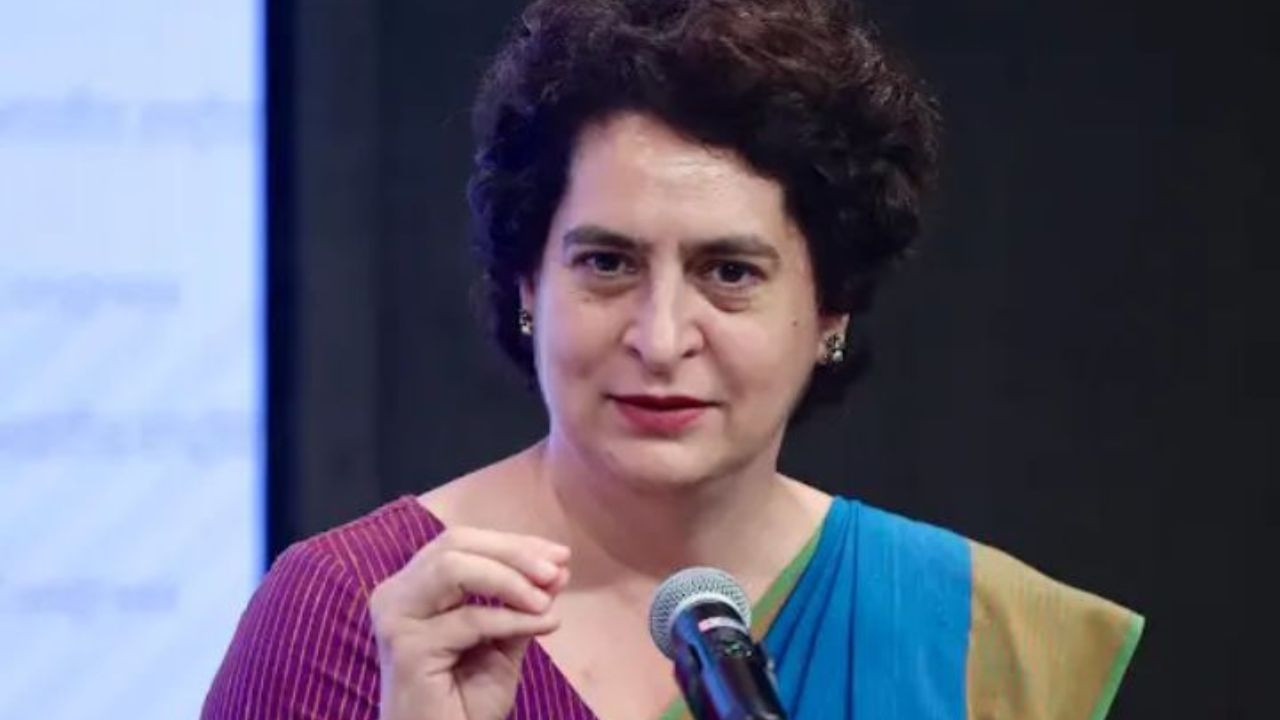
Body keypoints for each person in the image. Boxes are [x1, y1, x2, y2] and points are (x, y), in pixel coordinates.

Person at [202, 0, 1143, 718]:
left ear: (831, 308)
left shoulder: (978, 635)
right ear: (528, 283)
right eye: (607, 264)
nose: (659, 339)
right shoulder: (350, 614)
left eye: (729, 273)